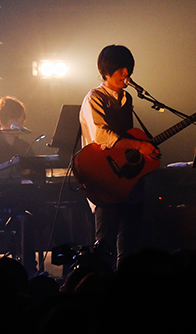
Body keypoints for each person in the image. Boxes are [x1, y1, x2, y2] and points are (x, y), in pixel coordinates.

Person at [79, 44, 160, 268]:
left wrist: (144, 152)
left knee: (130, 244)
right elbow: (101, 136)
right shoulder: (94, 98)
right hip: (106, 178)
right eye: (121, 69)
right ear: (106, 72)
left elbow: (127, 141)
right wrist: (140, 145)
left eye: (128, 68)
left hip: (128, 177)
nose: (126, 73)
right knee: (105, 243)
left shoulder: (127, 98)